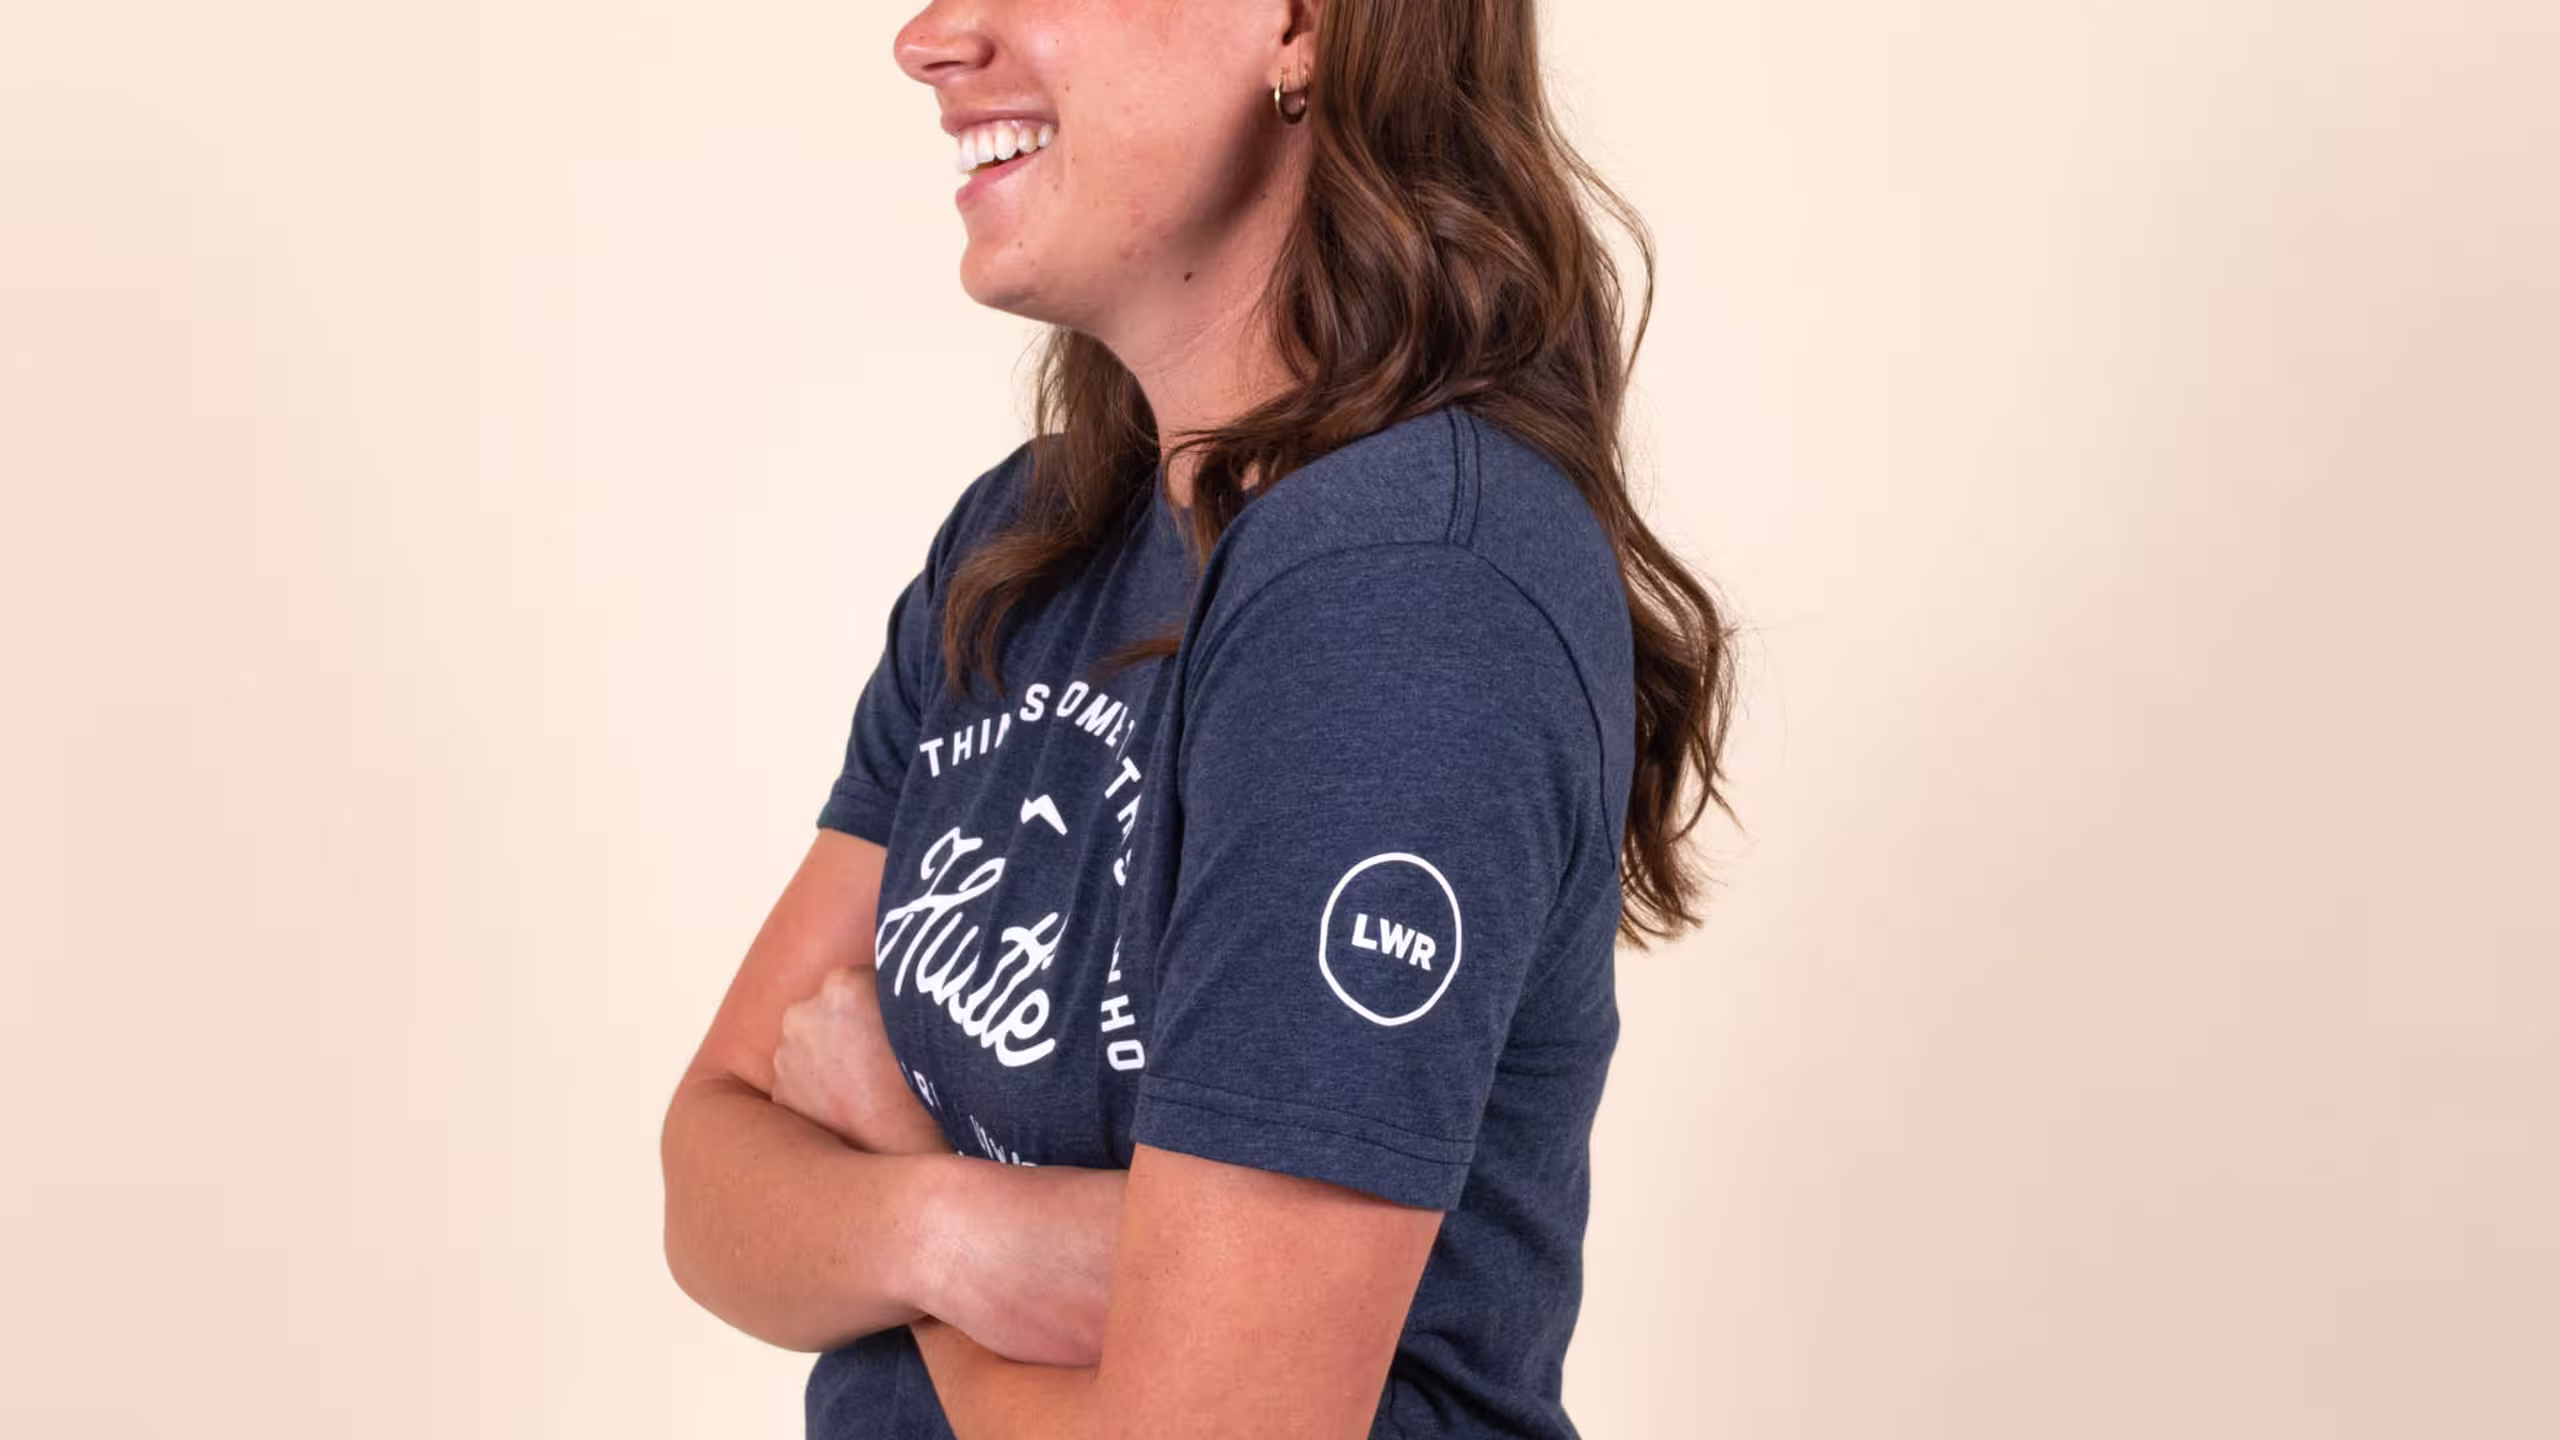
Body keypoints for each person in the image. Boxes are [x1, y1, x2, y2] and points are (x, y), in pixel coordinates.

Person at [659, 0, 1738, 1435]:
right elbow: (709, 1169)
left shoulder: (1402, 594)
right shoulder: (1027, 543)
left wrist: (889, 1169)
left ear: (1300, 23)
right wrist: (973, 1240)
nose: (928, 36)